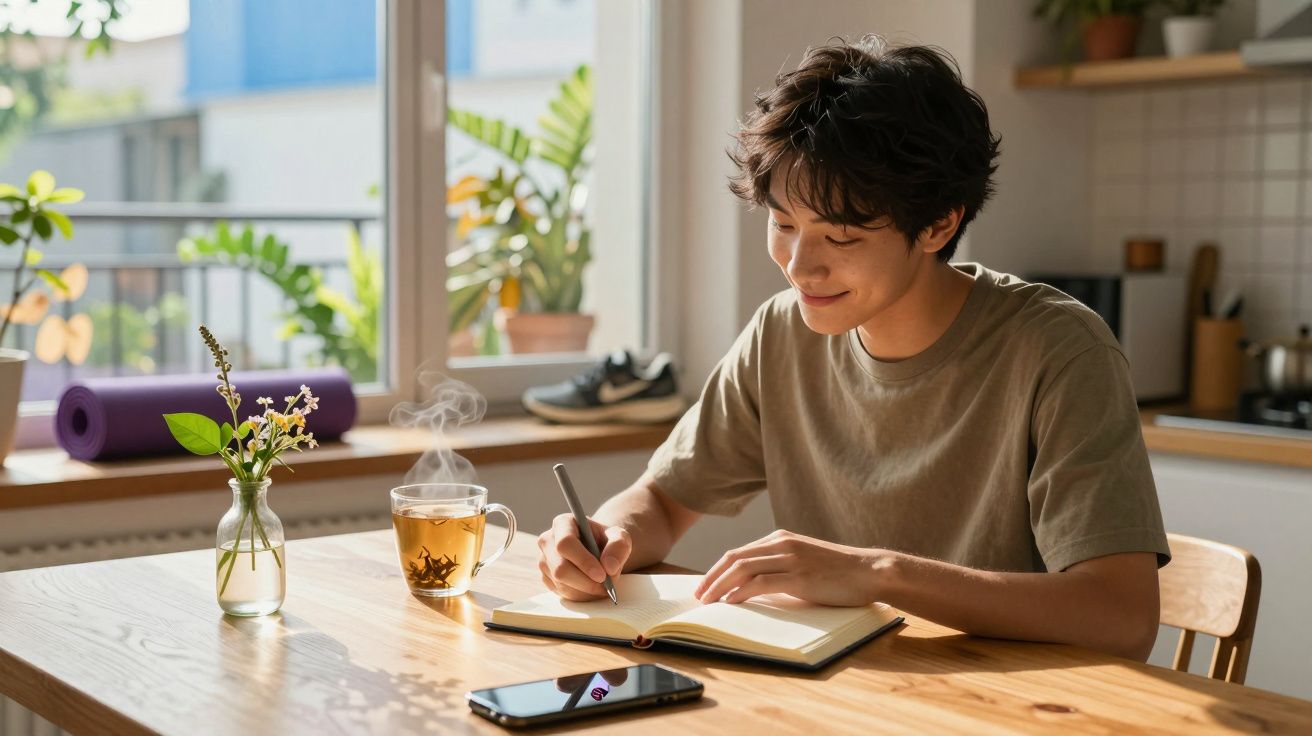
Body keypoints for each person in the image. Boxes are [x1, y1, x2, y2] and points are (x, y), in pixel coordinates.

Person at [536, 35, 1170, 662]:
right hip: (842, 696)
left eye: (839, 238)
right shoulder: (780, 333)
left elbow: (1120, 616)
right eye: (784, 225)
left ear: (939, 223)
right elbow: (662, 501)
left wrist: (880, 573)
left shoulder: (1058, 349)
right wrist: (604, 537)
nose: (799, 267)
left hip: (1010, 705)